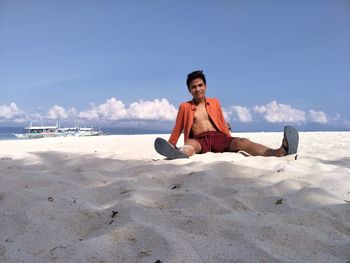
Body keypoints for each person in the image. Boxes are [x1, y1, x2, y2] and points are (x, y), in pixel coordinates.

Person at [154, 70, 299, 159]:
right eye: (193, 87)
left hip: (219, 137)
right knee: (189, 144)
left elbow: (221, 121)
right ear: (189, 90)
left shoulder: (215, 102)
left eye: (200, 85)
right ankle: (178, 154)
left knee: (242, 142)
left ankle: (278, 152)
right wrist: (171, 143)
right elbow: (178, 127)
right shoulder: (185, 107)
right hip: (199, 139)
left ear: (205, 86)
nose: (197, 89)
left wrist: (229, 136)